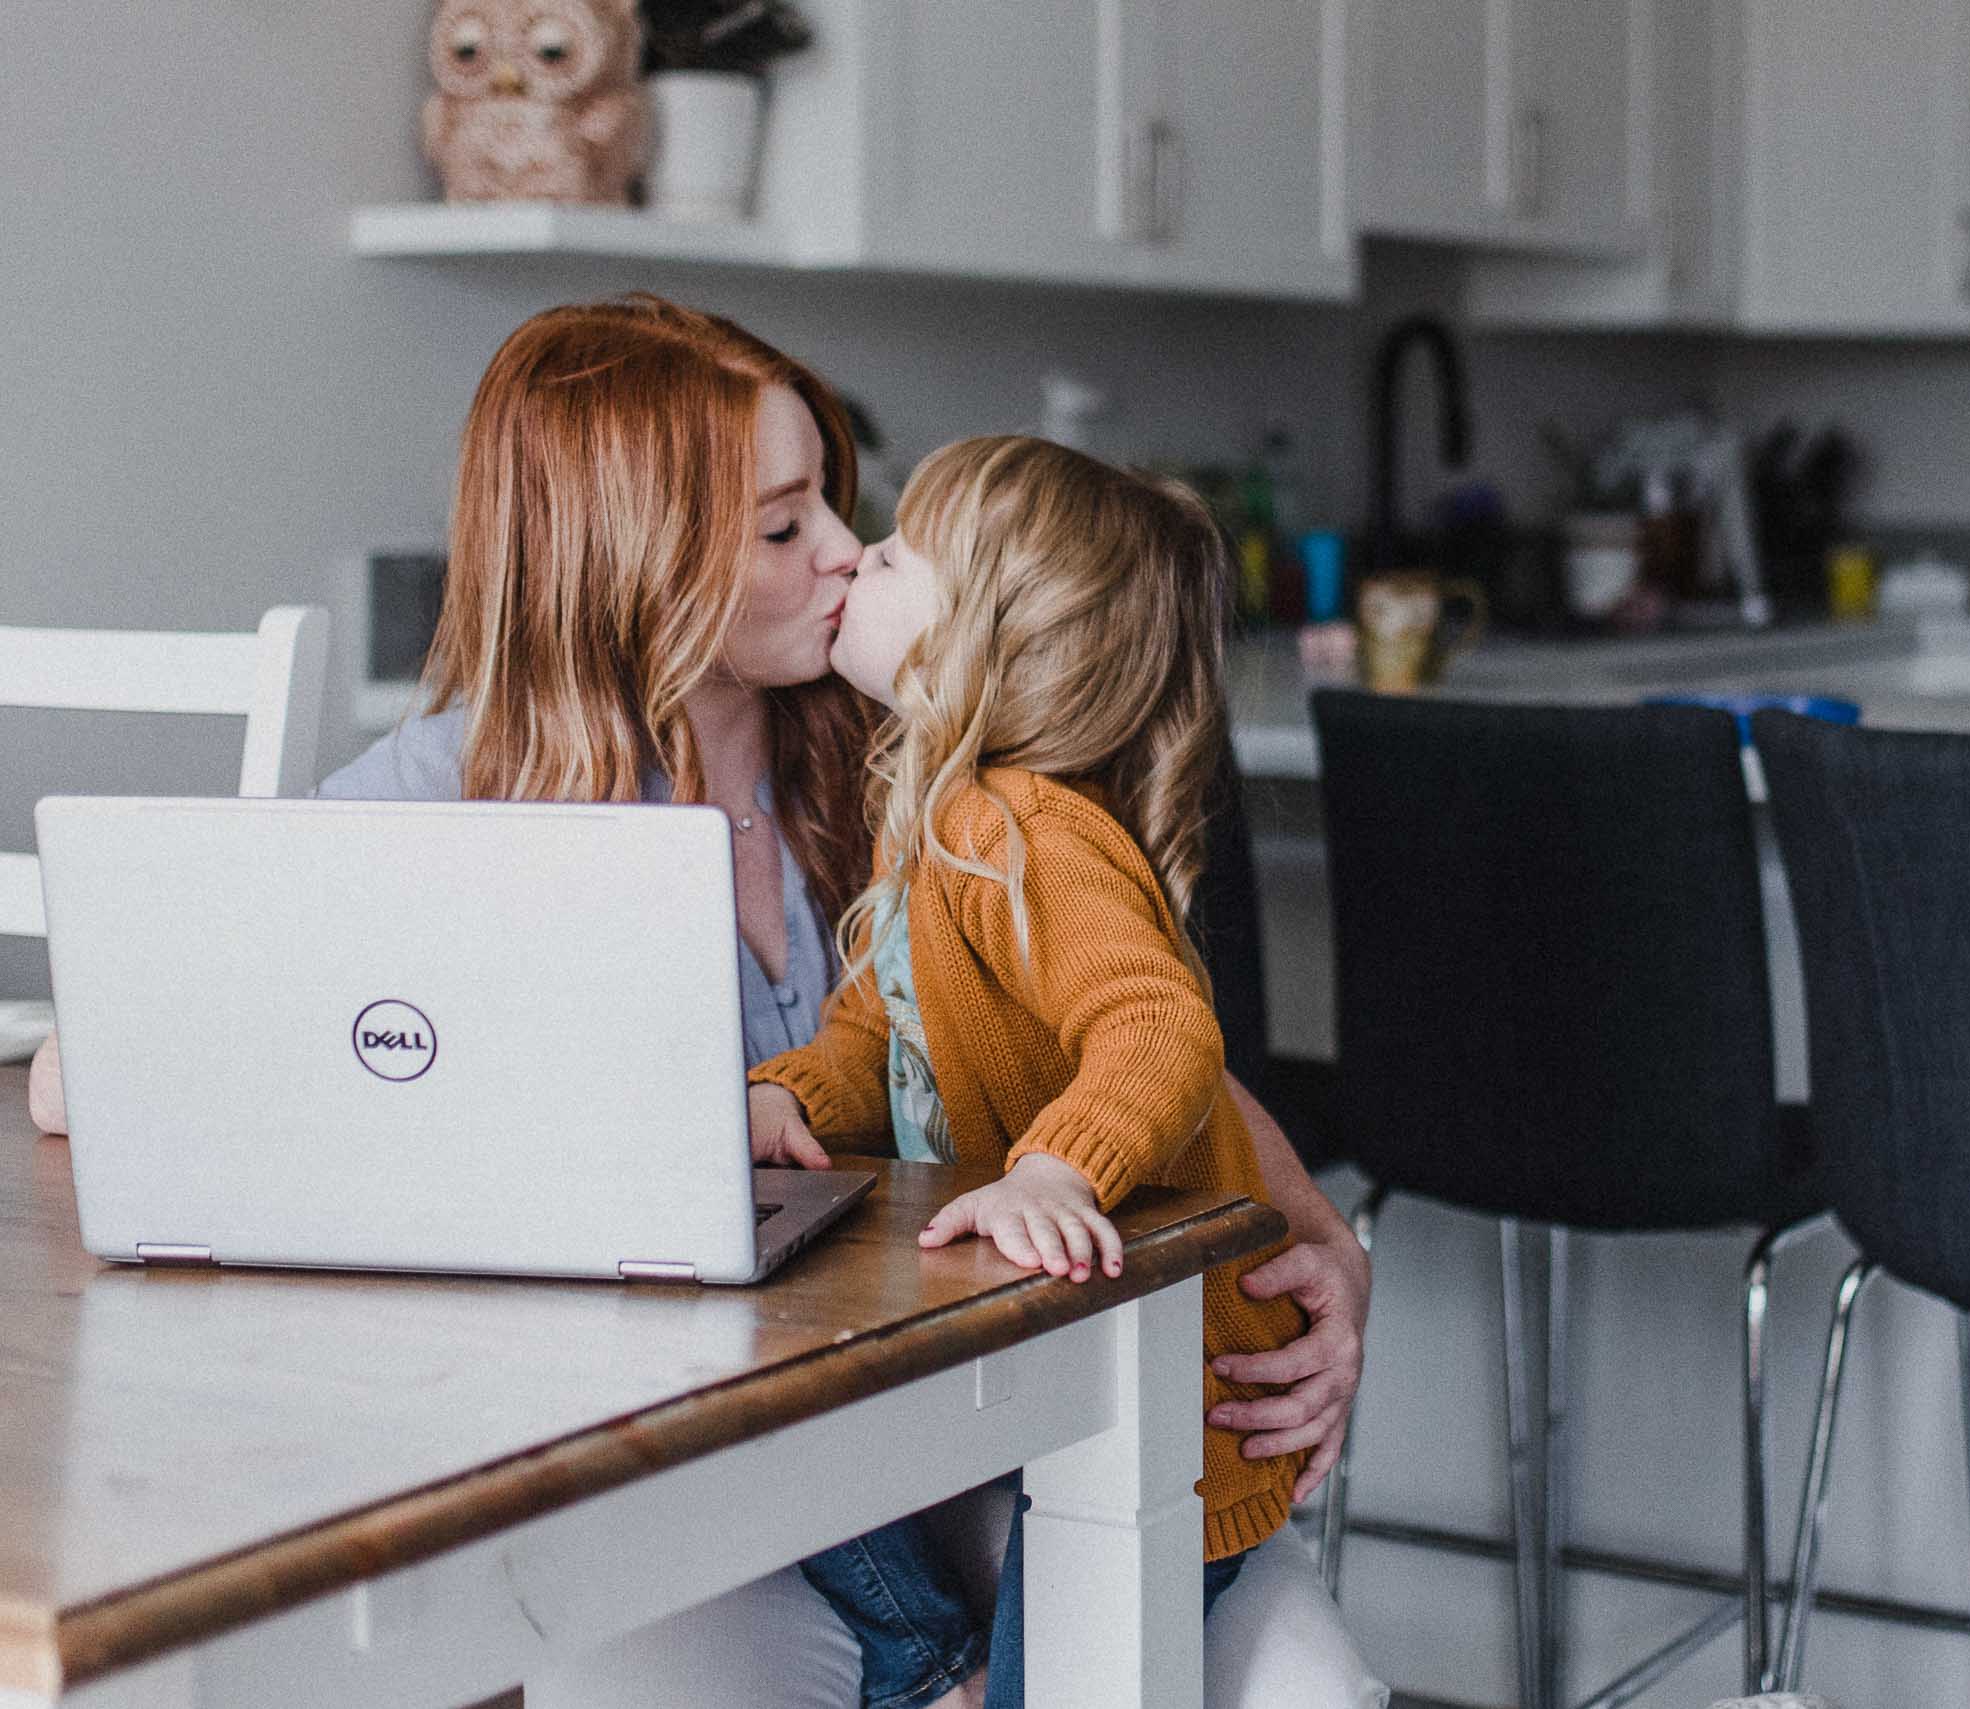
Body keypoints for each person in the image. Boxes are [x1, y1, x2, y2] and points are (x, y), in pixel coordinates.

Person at [25, 296, 1371, 1706]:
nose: (846, 555)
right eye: (787, 530)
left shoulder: (920, 751)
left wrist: (1322, 1243)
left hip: (981, 1405)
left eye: (839, 511)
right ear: (639, 564)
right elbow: (84, 1069)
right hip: (710, 1454)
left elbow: (1134, 1029)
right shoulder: (455, 796)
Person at [746, 435, 1308, 1705]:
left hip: (1172, 1399)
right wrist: (785, 1096)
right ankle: (927, 1658)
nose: (853, 559)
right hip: (1052, 1366)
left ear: (971, 638)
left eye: (890, 555)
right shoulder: (940, 821)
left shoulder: (1026, 829)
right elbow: (870, 1031)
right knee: (784, 1425)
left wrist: (1057, 1166)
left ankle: (932, 1665)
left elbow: (1159, 1023)